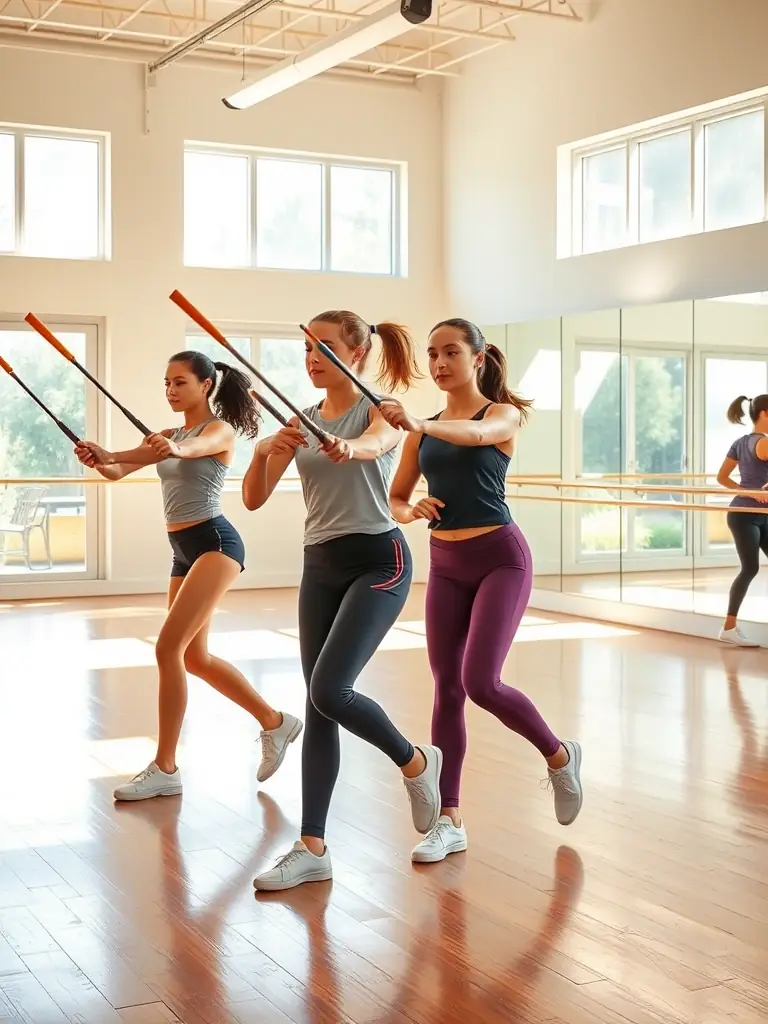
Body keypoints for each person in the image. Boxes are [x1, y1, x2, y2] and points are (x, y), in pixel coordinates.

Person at [243, 312, 442, 892]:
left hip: (380, 559)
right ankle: (313, 848)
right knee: (320, 704)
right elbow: (253, 499)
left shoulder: (380, 408)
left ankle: (414, 761)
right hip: (320, 564)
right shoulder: (300, 419)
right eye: (307, 348)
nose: (312, 358)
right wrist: (264, 452)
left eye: (325, 347)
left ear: (356, 354)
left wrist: (346, 447)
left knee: (330, 689)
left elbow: (376, 443)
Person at [382, 318, 583, 864]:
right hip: (446, 563)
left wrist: (418, 421)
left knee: (480, 683)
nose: (439, 363)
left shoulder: (501, 414)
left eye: (451, 352)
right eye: (432, 354)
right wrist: (411, 508)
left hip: (501, 559)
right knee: (446, 688)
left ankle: (559, 756)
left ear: (477, 358)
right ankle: (449, 819)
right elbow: (396, 498)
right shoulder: (423, 430)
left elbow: (474, 436)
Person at [74, 351, 302, 801]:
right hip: (182, 550)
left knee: (167, 649)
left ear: (206, 385)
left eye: (180, 382)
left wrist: (166, 448)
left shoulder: (217, 431)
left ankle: (165, 767)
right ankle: (275, 722)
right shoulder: (166, 435)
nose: (171, 390)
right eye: (167, 383)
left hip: (215, 543)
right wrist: (98, 458)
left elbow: (191, 449)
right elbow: (118, 470)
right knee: (194, 658)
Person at [716, 394, 768, 647]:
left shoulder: (740, 442)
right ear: (764, 414)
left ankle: (729, 628)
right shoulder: (764, 442)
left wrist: (746, 491)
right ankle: (729, 628)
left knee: (750, 569)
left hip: (755, 513)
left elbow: (722, 477)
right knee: (750, 568)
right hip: (747, 516)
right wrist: (751, 492)